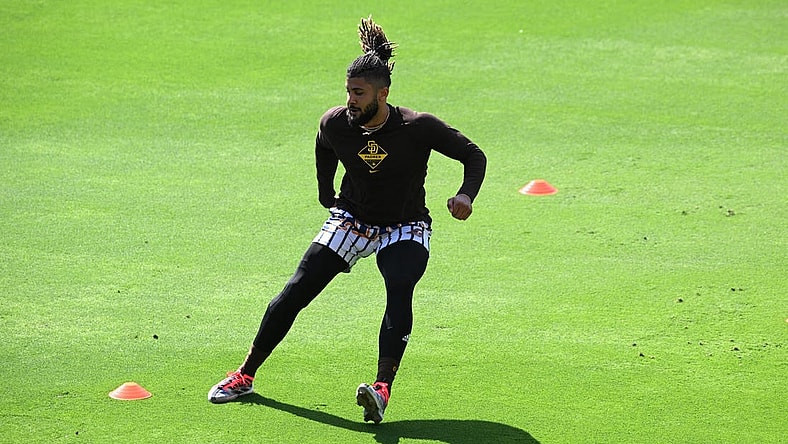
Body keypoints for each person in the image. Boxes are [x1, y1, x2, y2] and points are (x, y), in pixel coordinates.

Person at [208, 15, 486, 424]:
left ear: (383, 93)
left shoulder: (417, 127)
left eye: (359, 93)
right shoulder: (336, 122)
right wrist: (326, 191)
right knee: (296, 290)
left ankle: (381, 388)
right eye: (348, 92)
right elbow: (324, 144)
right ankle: (244, 374)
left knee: (399, 285)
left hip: (405, 225)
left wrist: (465, 194)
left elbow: (473, 156)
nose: (351, 100)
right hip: (352, 219)